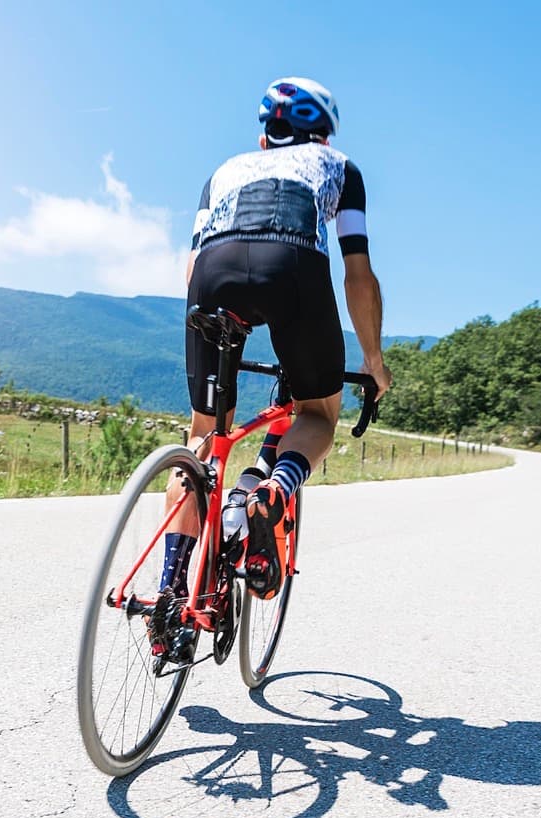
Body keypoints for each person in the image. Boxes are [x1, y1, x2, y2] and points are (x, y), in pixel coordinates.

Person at [158, 75, 392, 622]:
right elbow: (358, 273)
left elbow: (191, 266)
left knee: (203, 436)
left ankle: (169, 597)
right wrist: (373, 362)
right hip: (293, 269)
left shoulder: (224, 171)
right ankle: (275, 492)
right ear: (325, 137)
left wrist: (221, 339)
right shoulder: (341, 169)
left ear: (265, 137)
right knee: (317, 415)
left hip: (211, 277)